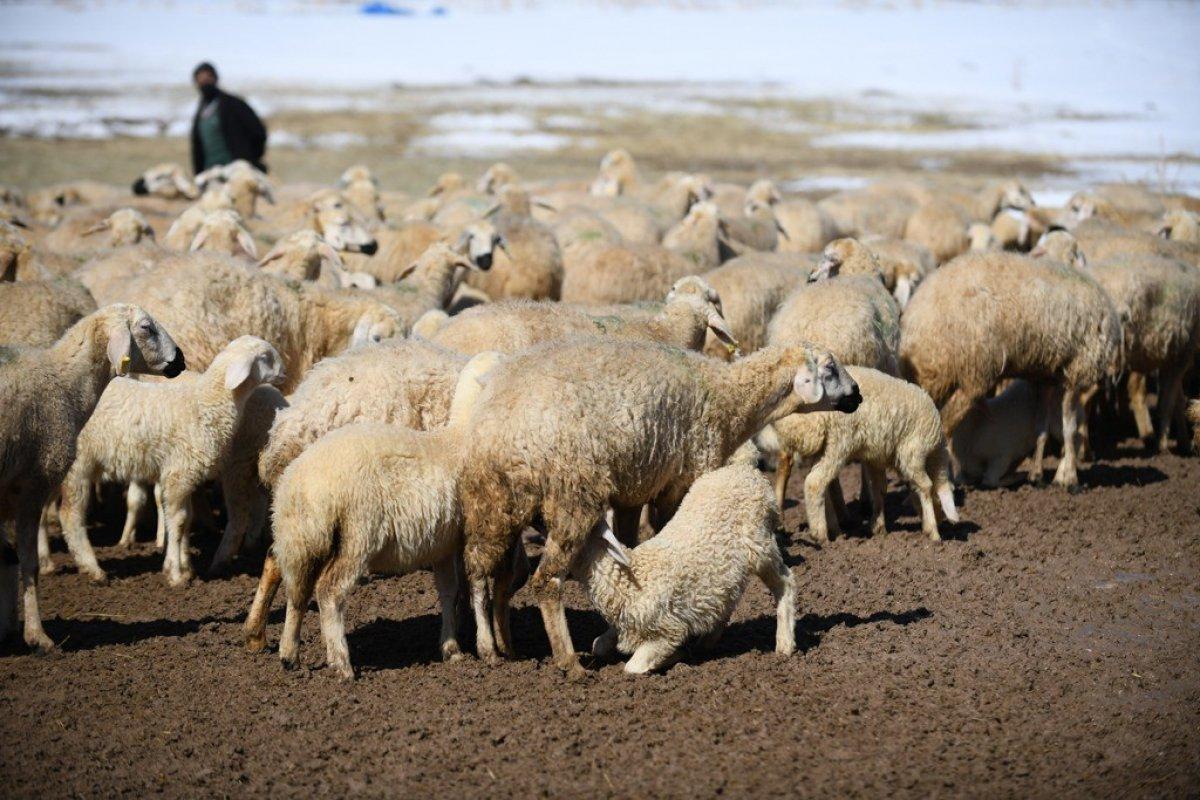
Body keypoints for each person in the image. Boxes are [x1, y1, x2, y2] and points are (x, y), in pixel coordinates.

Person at [189, 62, 268, 175]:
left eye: (208, 78)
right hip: (210, 173)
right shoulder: (201, 111)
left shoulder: (233, 104)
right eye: (200, 79)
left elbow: (258, 132)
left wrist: (249, 159)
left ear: (215, 78)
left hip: (236, 172)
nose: (204, 82)